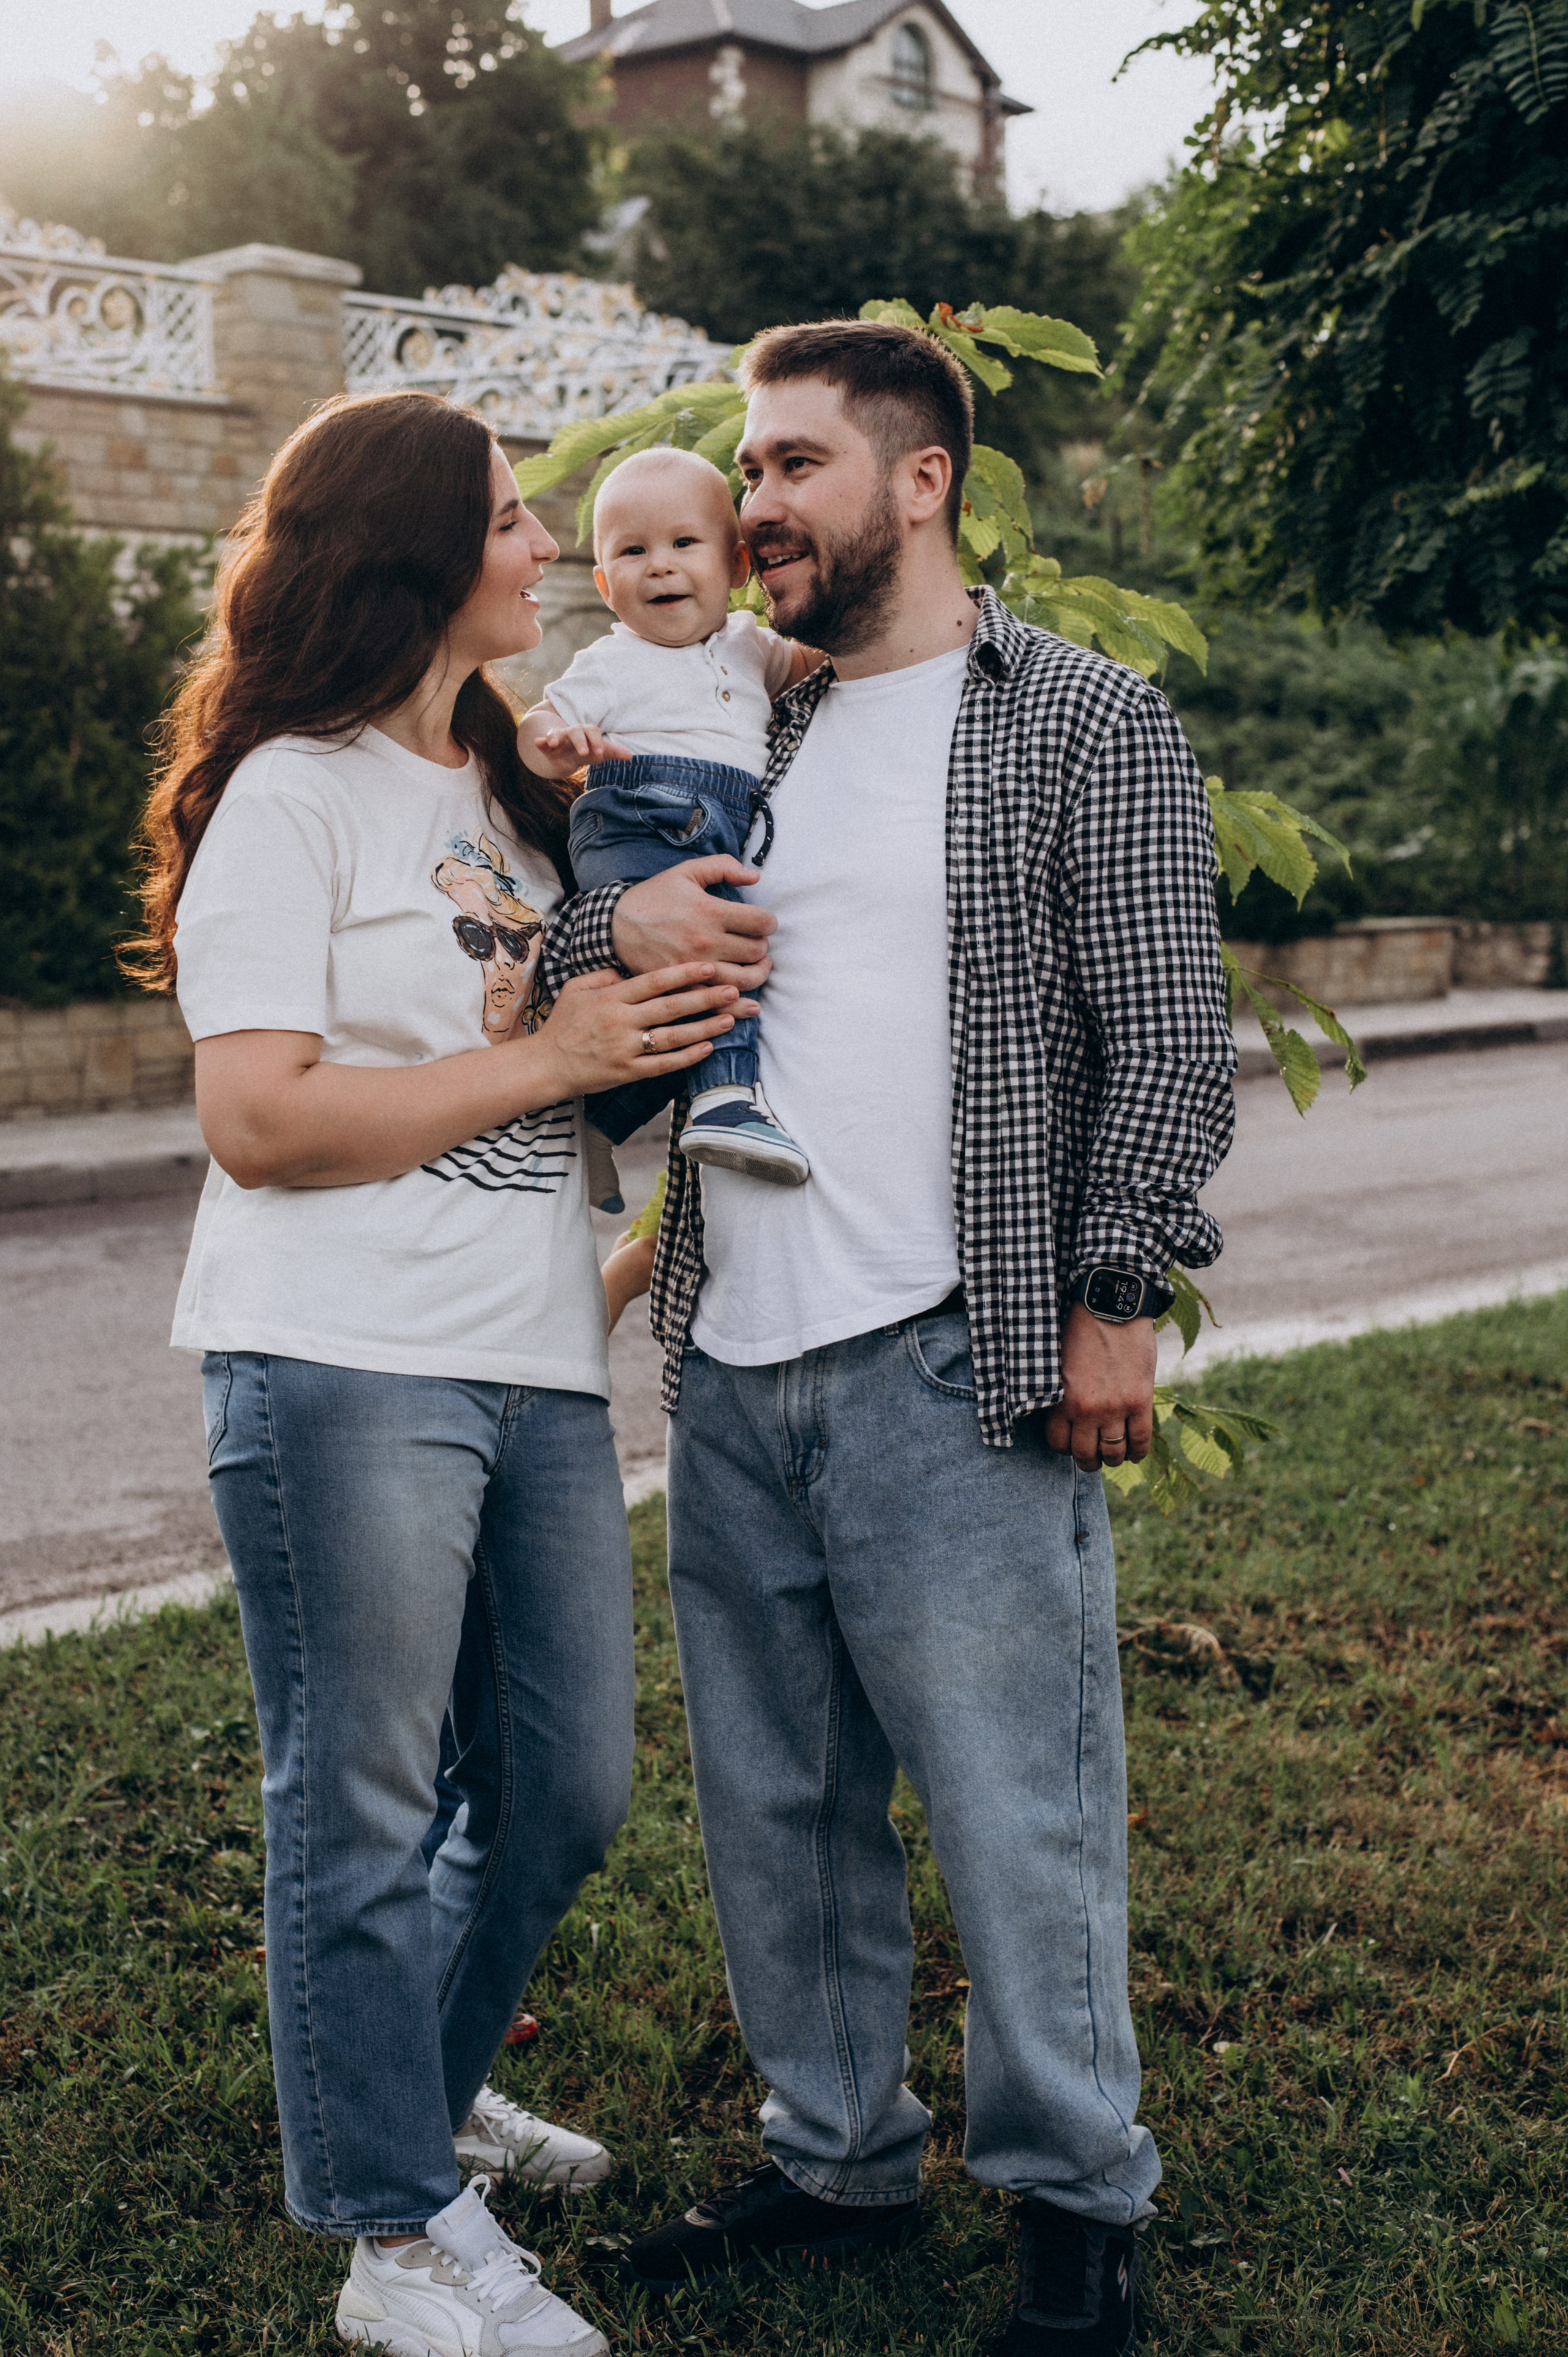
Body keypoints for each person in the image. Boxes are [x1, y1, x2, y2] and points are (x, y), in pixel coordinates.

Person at [543, 321, 1238, 2356]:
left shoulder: (1081, 718)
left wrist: (1118, 1297)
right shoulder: (738, 721)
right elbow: (606, 1002)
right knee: (775, 1798)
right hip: (734, 1351)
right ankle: (836, 2151)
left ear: (917, 478)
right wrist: (612, 932)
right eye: (748, 468)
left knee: (1017, 1797)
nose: (752, 505)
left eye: (791, 464)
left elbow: (1168, 1037)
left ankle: (1076, 2200)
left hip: (958, 1350)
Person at [131, 388, 755, 2357]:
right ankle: (394, 2232)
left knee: (564, 1781)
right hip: (338, 1353)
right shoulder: (290, 794)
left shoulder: (509, 786)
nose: (552, 543)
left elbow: (591, 1063)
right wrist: (554, 1061)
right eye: (509, 516)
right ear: (413, 552)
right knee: (367, 1799)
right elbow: (260, 1114)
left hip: (527, 1348)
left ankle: (417, 2072)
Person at [520, 446, 818, 1207]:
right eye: (632, 551)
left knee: (668, 990)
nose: (659, 567)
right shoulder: (612, 660)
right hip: (640, 812)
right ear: (603, 584)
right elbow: (540, 721)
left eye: (684, 544)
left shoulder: (752, 646)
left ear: (737, 564)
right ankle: (725, 1099)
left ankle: (601, 1119)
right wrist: (557, 747)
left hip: (713, 823)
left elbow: (829, 660)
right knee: (722, 951)